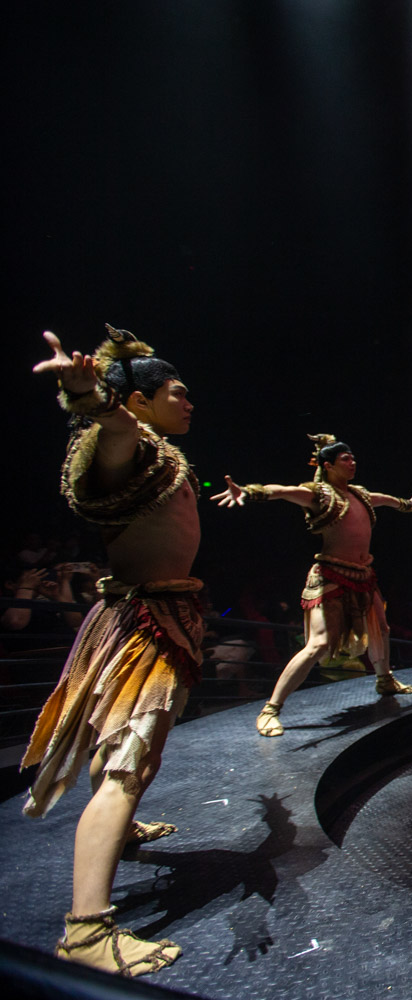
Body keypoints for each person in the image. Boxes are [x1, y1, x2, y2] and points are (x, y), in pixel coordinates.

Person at [22, 326, 203, 976]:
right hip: (140, 623)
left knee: (130, 749)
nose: (189, 402)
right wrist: (91, 398)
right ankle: (87, 933)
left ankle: (120, 834)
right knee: (129, 761)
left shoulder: (157, 456)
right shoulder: (125, 445)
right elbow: (114, 430)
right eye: (178, 392)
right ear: (140, 400)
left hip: (154, 613)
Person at [213, 435, 412, 737]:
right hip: (330, 576)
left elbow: (386, 499)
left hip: (363, 575)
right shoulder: (318, 494)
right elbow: (284, 491)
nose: (352, 463)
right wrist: (249, 492)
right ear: (328, 465)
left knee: (381, 628)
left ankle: (385, 679)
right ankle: (271, 708)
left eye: (353, 458)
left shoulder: (360, 494)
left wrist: (407, 505)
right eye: (345, 459)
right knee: (318, 644)